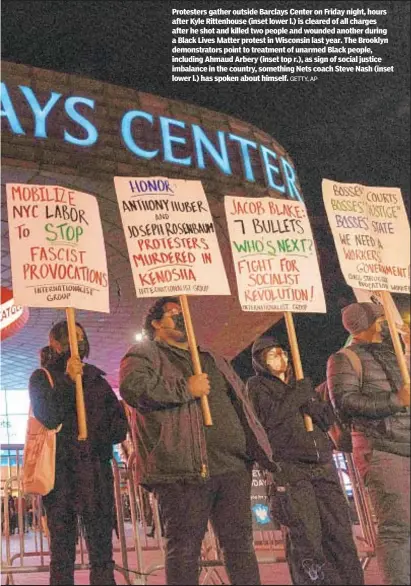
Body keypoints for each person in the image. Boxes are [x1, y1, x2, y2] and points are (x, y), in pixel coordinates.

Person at [119, 297, 274, 585]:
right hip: (183, 471)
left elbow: (240, 402)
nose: (180, 317)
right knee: (185, 548)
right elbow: (134, 388)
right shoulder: (144, 355)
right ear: (155, 323)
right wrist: (185, 388)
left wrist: (253, 448)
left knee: (240, 545)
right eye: (173, 313)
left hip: (232, 467)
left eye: (183, 313)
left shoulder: (210, 358)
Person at [247, 336, 364, 585]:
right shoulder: (257, 386)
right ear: (260, 361)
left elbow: (324, 421)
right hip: (290, 466)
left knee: (338, 531)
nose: (281, 358)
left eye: (283, 352)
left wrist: (313, 401)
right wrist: (297, 395)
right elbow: (269, 419)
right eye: (273, 354)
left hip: (321, 462)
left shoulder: (299, 383)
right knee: (306, 535)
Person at [29, 320, 128, 585]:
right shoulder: (43, 378)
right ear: (56, 343)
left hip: (96, 472)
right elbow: (49, 416)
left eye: (82, 336)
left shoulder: (97, 380)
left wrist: (99, 432)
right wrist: (69, 381)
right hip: (62, 476)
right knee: (62, 553)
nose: (80, 342)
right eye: (73, 336)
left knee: (102, 552)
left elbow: (118, 428)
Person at [327, 302, 410, 585]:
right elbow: (345, 404)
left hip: (407, 443)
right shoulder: (344, 359)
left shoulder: (393, 353)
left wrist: (409, 350)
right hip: (383, 450)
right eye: (382, 319)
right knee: (397, 528)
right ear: (372, 323)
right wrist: (395, 401)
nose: (388, 323)